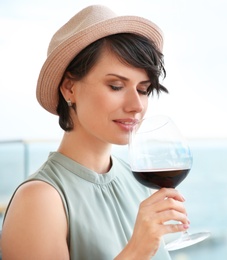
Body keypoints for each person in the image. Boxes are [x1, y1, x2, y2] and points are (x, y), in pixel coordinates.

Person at [1, 5, 190, 260]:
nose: (136, 106)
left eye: (143, 89)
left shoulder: (137, 182)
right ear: (69, 88)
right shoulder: (39, 200)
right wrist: (137, 250)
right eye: (115, 86)